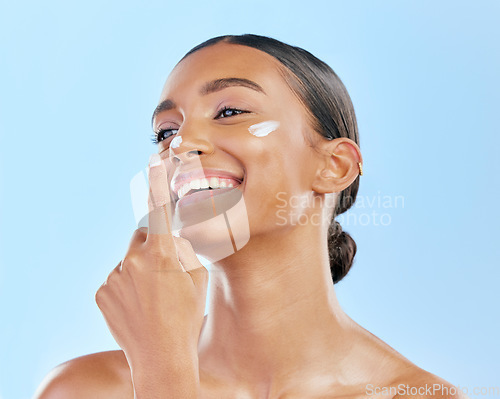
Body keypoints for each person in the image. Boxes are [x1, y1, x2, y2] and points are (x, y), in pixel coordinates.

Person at [34, 34, 467, 399]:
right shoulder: (83, 390)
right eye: (166, 131)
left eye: (229, 112)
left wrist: (164, 370)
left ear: (334, 167)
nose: (180, 143)